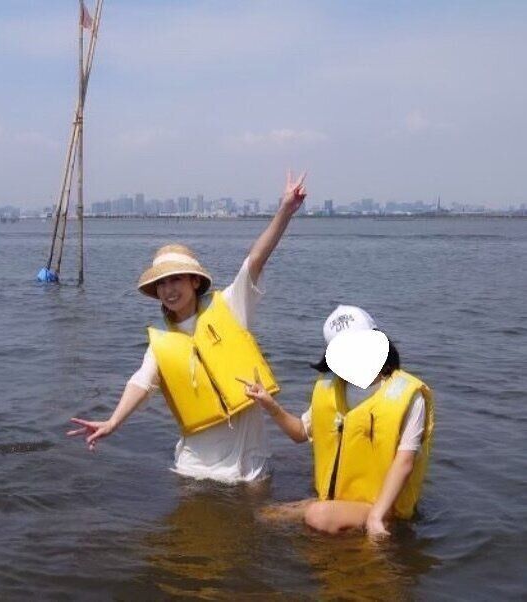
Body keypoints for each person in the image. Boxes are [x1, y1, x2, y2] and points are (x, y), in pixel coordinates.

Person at [68, 170, 307, 483]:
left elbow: (255, 261)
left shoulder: (232, 306)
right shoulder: (162, 342)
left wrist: (285, 211)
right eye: (162, 284)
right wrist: (113, 422)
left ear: (195, 281)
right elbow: (141, 383)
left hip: (251, 464)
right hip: (195, 468)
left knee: (255, 526)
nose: (169, 289)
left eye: (176, 279)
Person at [239, 305, 434, 537]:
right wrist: (269, 404)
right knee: (263, 517)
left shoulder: (408, 396)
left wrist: (376, 515)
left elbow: (405, 462)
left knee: (316, 515)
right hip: (341, 504)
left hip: (385, 508)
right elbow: (301, 432)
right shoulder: (331, 389)